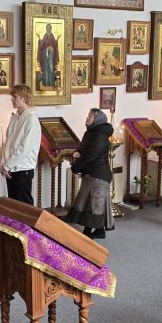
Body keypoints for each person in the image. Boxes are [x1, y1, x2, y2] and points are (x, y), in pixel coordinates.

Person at [66, 109, 114, 239]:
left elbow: (91, 155)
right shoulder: (91, 132)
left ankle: (91, 232)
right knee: (90, 203)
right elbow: (85, 150)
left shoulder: (100, 135)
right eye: (88, 115)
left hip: (99, 174)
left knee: (93, 205)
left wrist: (76, 167)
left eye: (90, 116)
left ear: (97, 119)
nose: (87, 118)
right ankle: (96, 231)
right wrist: (77, 152)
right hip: (92, 173)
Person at [0, 84, 42, 205]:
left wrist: (7, 166)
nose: (12, 99)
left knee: (25, 206)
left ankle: (30, 221)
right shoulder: (14, 117)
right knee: (14, 206)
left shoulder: (31, 119)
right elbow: (8, 143)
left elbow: (25, 148)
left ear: (24, 98)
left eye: (15, 96)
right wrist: (4, 164)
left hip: (23, 168)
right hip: (11, 168)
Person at [38, 23, 59, 89]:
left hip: (51, 55)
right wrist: (39, 39)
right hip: (45, 55)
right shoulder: (45, 35)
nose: (48, 29)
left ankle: (51, 83)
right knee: (46, 68)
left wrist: (57, 41)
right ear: (46, 28)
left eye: (49, 27)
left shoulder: (52, 35)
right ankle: (46, 83)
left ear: (51, 28)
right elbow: (42, 44)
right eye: (47, 27)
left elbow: (54, 44)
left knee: (51, 68)